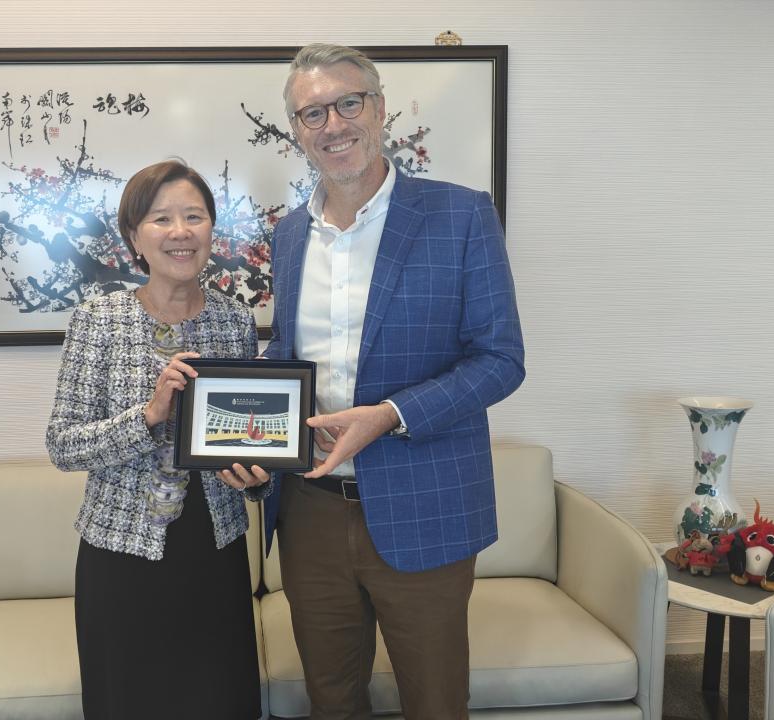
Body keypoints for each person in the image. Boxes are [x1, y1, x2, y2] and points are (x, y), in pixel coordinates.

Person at [260, 44, 526, 720]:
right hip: (311, 510)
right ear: (296, 130)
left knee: (435, 701)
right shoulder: (290, 237)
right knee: (332, 700)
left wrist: (389, 415)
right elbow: (287, 356)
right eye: (312, 112)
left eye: (348, 102)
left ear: (380, 109)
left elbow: (500, 358)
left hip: (426, 501)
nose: (333, 124)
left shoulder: (462, 216)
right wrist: (244, 432)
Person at [46, 159, 269, 720]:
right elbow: (63, 444)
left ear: (211, 231)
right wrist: (148, 416)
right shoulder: (99, 318)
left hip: (213, 546)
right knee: (130, 700)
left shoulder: (234, 321)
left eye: (194, 216)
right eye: (161, 218)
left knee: (218, 697)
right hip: (122, 554)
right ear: (134, 238)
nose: (180, 231)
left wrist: (257, 475)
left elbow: (250, 435)